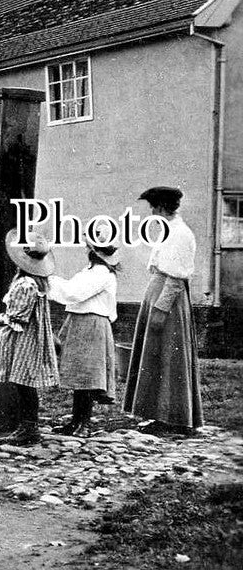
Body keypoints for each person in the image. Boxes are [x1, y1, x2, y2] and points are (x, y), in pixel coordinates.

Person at [124, 186, 202, 436]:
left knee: (168, 355)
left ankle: (172, 417)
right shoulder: (170, 231)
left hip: (168, 301)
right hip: (159, 293)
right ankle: (159, 414)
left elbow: (176, 278)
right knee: (156, 355)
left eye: (152, 208)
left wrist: (160, 308)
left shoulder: (179, 233)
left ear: (160, 208)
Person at [0, 230, 58, 447]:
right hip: (30, 335)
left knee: (24, 383)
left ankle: (29, 427)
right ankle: (28, 425)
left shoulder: (26, 284)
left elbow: (18, 316)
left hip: (24, 338)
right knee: (24, 383)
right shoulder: (37, 282)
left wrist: (1, 319)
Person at [48, 238, 121, 437]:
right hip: (80, 322)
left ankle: (85, 423)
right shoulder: (88, 272)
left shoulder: (102, 274)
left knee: (88, 376)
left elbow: (74, 293)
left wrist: (47, 278)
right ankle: (76, 420)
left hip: (93, 323)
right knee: (80, 376)